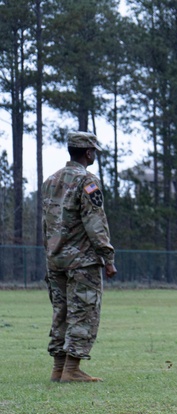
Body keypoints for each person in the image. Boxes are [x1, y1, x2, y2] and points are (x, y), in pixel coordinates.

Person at [42, 131, 117, 383]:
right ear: (88, 152)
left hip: (55, 259)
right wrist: (107, 256)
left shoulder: (51, 181)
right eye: (93, 150)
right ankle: (72, 370)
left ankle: (58, 368)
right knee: (83, 310)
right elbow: (95, 223)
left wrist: (49, 253)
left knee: (60, 311)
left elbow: (47, 222)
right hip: (82, 261)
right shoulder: (87, 182)